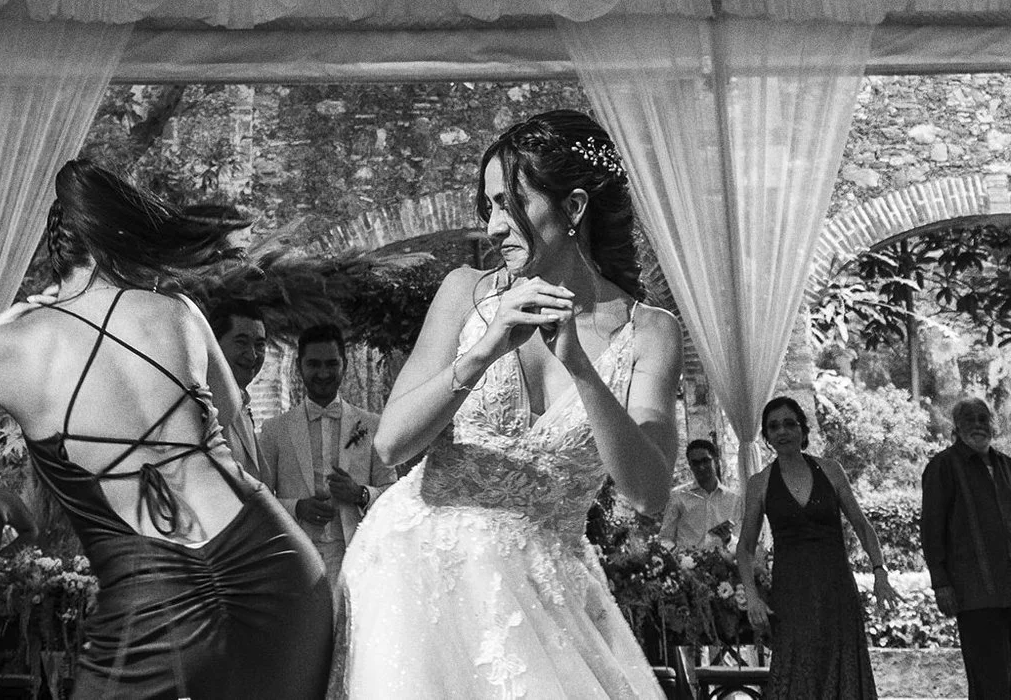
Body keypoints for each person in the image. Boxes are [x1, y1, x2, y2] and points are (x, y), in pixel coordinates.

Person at [0, 159, 331, 700]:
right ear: (121, 241)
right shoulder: (180, 312)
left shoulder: (9, 345)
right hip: (277, 564)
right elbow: (232, 413)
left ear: (59, 251)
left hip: (155, 596)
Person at [337, 110, 685, 700]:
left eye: (510, 203)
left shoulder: (650, 332)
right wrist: (484, 349)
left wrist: (583, 369)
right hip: (417, 580)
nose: (494, 227)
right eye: (490, 205)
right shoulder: (464, 292)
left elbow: (649, 493)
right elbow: (391, 443)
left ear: (574, 208)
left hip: (549, 600)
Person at [739, 395, 896, 700]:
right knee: (796, 670)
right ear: (767, 436)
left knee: (842, 666)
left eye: (789, 423)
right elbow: (745, 547)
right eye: (773, 426)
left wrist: (880, 570)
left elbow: (862, 525)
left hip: (836, 589)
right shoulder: (760, 483)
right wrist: (751, 595)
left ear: (803, 429)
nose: (782, 431)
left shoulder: (831, 470)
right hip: (791, 594)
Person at [922, 397, 1011, 700]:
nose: (977, 425)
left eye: (983, 418)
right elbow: (932, 530)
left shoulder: (1006, 466)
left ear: (992, 424)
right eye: (969, 419)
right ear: (956, 426)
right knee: (989, 683)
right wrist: (941, 583)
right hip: (975, 594)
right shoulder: (943, 466)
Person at [257, 324, 393, 579]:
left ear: (345, 365)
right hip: (296, 560)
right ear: (300, 367)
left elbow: (392, 492)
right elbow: (259, 498)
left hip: (358, 559)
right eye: (314, 364)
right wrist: (297, 508)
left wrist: (360, 494)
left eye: (331, 364)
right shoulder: (275, 430)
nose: (323, 373)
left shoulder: (371, 425)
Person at [209, 303, 270, 477]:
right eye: (242, 343)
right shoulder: (206, 407)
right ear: (215, 344)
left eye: (259, 345)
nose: (252, 355)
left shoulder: (243, 404)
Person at [663, 438, 743, 550]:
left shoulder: (734, 500)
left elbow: (743, 542)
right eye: (695, 463)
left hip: (725, 558)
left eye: (705, 461)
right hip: (687, 559)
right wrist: (677, 555)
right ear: (690, 465)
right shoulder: (678, 497)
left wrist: (729, 539)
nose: (701, 467)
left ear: (715, 460)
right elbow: (665, 538)